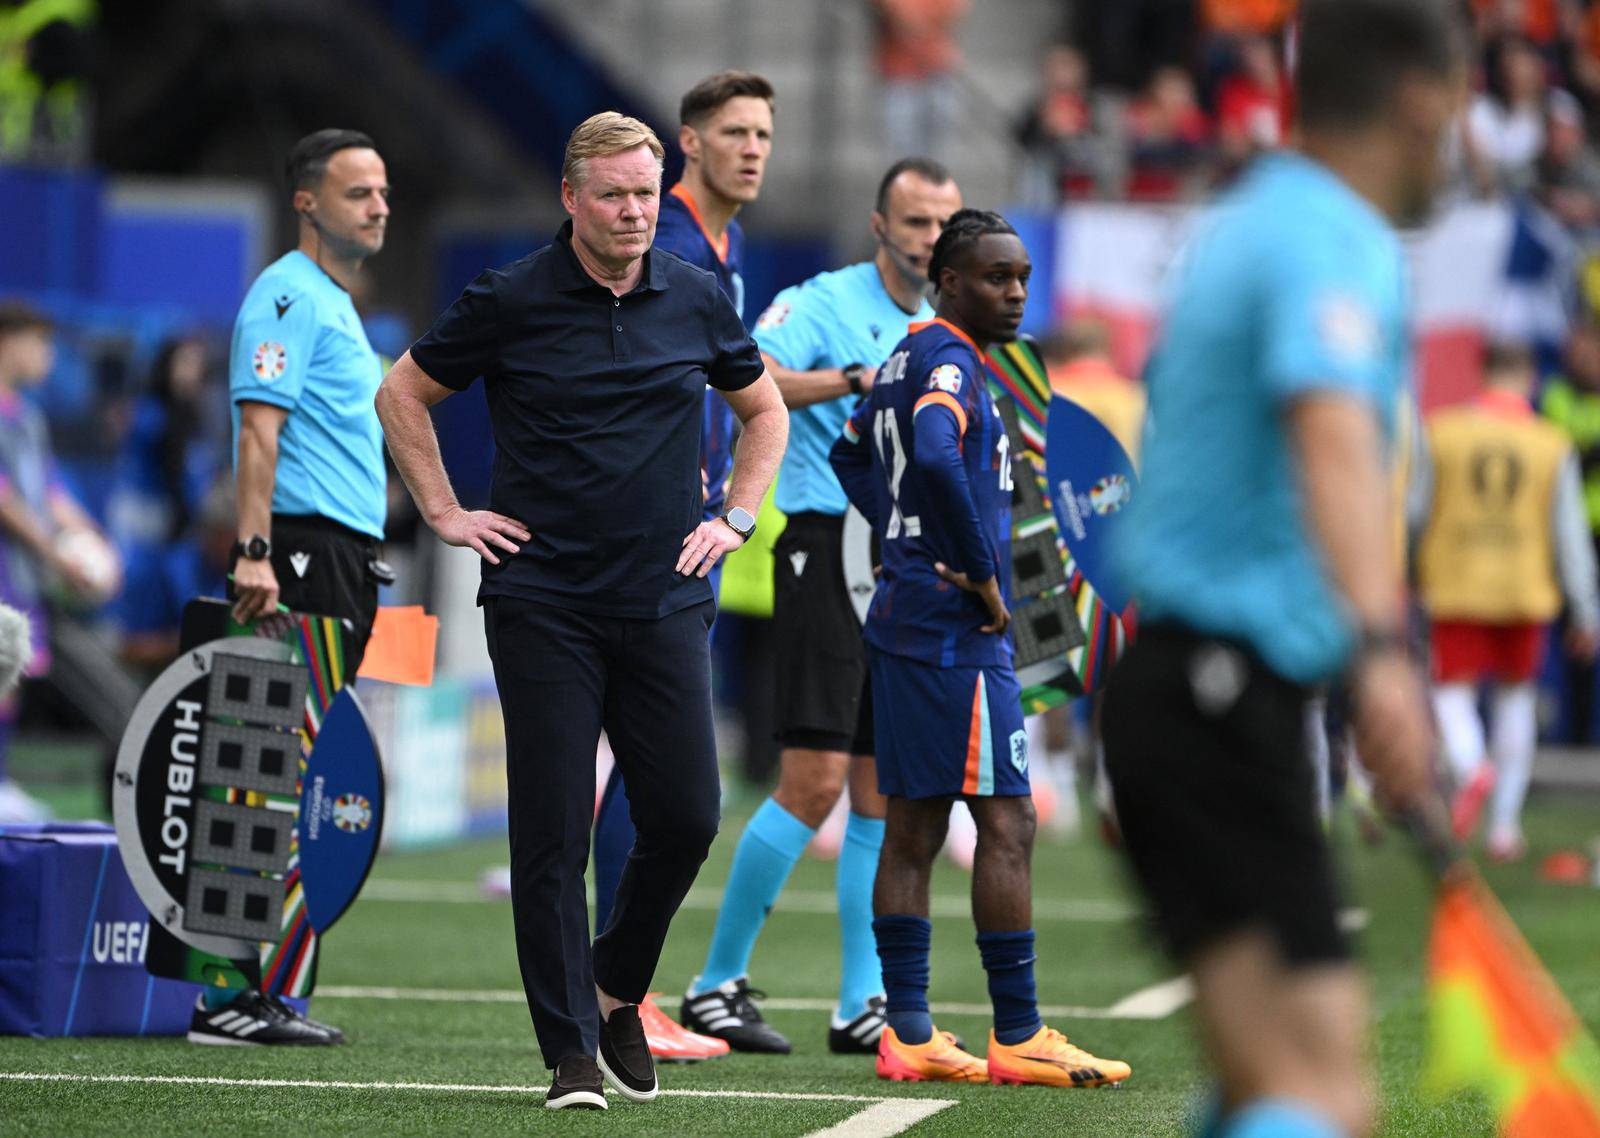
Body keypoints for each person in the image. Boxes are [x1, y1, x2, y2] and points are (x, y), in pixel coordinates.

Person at [375, 113, 787, 1111]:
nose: (634, 211)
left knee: (688, 811)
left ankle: (614, 985)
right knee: (551, 832)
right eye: (612, 194)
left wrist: (735, 517)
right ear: (570, 198)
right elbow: (403, 395)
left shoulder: (695, 294)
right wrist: (442, 510)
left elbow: (763, 409)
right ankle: (568, 1052)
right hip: (543, 601)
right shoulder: (509, 296)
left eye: (645, 193)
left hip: (664, 598)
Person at [1100, 2, 1461, 1135]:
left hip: (1192, 692)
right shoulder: (1326, 236)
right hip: (1216, 696)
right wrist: (1379, 656)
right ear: (1418, 99)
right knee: (1319, 1094)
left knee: (1272, 1086)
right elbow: (1331, 434)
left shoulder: (1262, 219)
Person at [829, 209, 1130, 1088]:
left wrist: (901, 532)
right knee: (1008, 818)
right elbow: (928, 449)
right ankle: (1019, 1032)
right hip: (954, 629)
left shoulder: (900, 358)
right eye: (998, 277)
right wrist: (975, 570)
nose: (1017, 294)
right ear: (950, 280)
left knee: (918, 823)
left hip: (911, 618)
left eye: (1025, 277)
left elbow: (854, 454)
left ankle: (911, 1033)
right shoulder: (951, 361)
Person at [679, 157, 962, 1057]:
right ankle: (714, 984)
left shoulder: (948, 323)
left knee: (883, 793)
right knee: (813, 782)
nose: (930, 240)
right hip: (820, 549)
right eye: (915, 223)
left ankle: (860, 1002)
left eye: (942, 226)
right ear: (880, 225)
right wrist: (853, 380)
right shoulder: (821, 302)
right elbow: (746, 376)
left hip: (904, 569)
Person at [185, 127, 392, 1048]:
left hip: (339, 557)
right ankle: (229, 996)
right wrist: (255, 550)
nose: (380, 206)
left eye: (383, 192)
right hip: (298, 553)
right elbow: (257, 436)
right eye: (359, 193)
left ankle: (263, 987)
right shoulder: (284, 294)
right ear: (307, 201)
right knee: (266, 765)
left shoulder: (334, 302)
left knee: (293, 766)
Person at [589, 69, 775, 1063]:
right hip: (650, 535)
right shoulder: (659, 245)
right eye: (734, 132)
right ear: (686, 145)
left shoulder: (721, 248)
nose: (754, 149)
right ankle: (620, 992)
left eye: (764, 133)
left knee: (654, 774)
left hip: (692, 527)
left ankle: (623, 988)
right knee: (650, 774)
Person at [1419, 342, 1600, 861]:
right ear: (1527, 378)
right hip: (1525, 587)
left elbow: (1415, 512)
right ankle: (1504, 829)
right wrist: (1584, 606)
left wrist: (1410, 567)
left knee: (1451, 692)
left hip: (1456, 582)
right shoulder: (1549, 442)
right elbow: (1568, 534)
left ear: (1483, 374)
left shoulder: (1444, 433)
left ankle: (1472, 764)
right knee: (1516, 697)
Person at [0, 300, 117, 825]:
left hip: (24, 577)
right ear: (10, 343)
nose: (47, 356)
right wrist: (53, 551)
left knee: (14, 671)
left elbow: (46, 489)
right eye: (39, 343)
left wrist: (85, 532)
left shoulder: (26, 414)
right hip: (7, 566)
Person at [109, 336, 222, 675]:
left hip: (182, 535)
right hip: (150, 534)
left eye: (195, 364)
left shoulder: (199, 418)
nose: (189, 372)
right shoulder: (150, 416)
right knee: (143, 617)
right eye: (182, 362)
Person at [1540, 320, 1600, 742]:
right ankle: (1576, 734)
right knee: (1575, 636)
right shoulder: (1556, 394)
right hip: (1569, 532)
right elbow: (1559, 453)